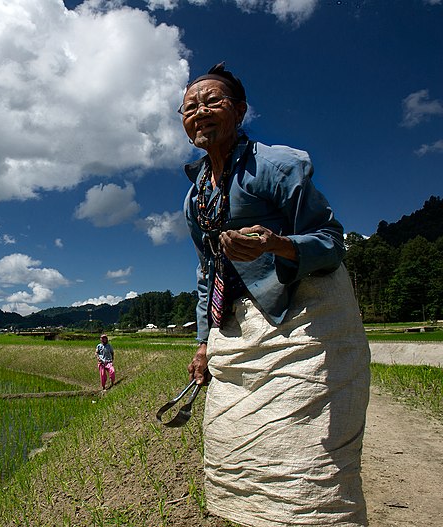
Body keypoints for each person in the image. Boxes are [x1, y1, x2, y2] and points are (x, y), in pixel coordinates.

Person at [180, 63, 371, 527]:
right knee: (235, 448)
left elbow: (330, 239)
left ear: (240, 111)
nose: (200, 111)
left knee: (305, 458)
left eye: (212, 101)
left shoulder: (277, 165)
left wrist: (276, 244)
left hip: (305, 322)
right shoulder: (194, 198)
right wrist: (204, 343)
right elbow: (209, 272)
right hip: (240, 331)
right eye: (190, 106)